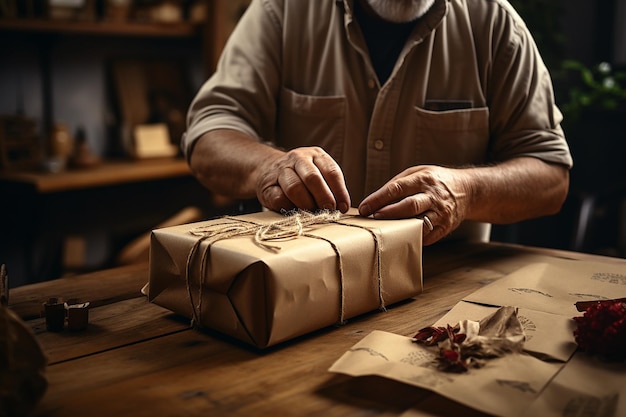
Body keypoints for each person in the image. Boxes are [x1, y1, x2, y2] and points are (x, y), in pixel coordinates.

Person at [182, 0, 573, 246]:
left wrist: (465, 190)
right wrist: (268, 167)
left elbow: (550, 177)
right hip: (297, 279)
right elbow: (209, 134)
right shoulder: (281, 11)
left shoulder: (495, 24)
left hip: (446, 284)